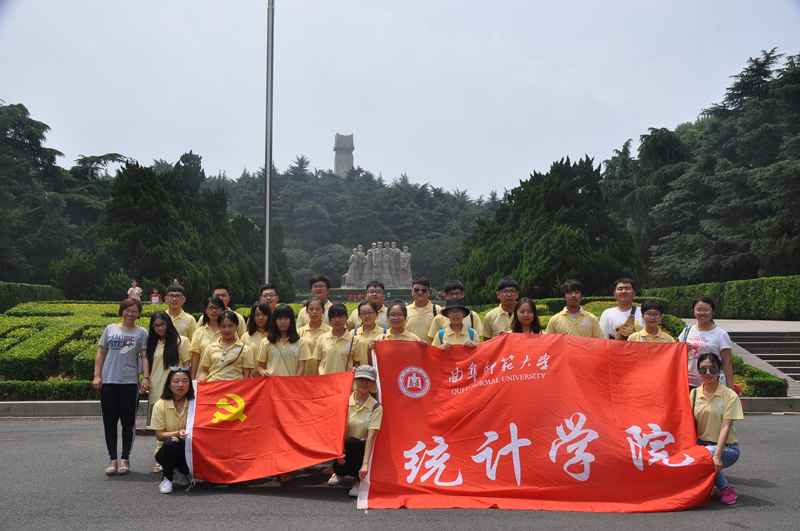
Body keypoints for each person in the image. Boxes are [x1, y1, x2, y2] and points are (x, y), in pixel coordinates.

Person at [93, 298, 150, 476]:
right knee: (109, 422)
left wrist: (146, 377)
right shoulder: (110, 329)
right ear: (121, 311)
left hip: (129, 382)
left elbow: (144, 356)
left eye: (134, 311)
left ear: (139, 313)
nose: (130, 314)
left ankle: (125, 458)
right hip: (108, 381)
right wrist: (97, 375)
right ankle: (112, 459)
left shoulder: (142, 333)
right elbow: (101, 352)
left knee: (128, 422)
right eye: (127, 310)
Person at [690, 353, 743, 505]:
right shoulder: (694, 394)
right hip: (701, 445)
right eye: (703, 369)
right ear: (698, 371)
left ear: (719, 370)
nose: (708, 373)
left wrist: (717, 456)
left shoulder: (729, 395)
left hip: (727, 448)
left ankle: (726, 488)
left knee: (705, 456)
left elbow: (725, 427)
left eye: (713, 369)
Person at [328, 365, 383, 498]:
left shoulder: (376, 407)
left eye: (368, 380)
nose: (364, 383)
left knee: (351, 441)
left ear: (373, 383)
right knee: (339, 467)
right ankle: (340, 472)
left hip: (363, 450)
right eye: (361, 379)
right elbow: (333, 430)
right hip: (345, 450)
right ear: (355, 380)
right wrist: (337, 453)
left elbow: (371, 438)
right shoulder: (344, 401)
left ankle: (359, 481)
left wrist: (364, 465)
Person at [144, 310, 190, 457]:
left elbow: (187, 366)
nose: (160, 328)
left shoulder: (181, 341)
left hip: (178, 388)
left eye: (163, 324)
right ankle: (161, 458)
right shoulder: (151, 343)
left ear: (168, 323)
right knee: (160, 427)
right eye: (156, 325)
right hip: (156, 387)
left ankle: (182, 459)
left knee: (180, 425)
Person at [152, 367, 194, 494]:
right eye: (176, 381)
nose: (181, 385)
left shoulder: (196, 402)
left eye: (185, 381)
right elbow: (160, 435)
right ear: (169, 385)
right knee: (173, 442)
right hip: (166, 450)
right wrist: (177, 433)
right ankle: (167, 478)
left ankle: (182, 471)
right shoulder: (160, 405)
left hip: (191, 448)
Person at [680, 296, 734, 389]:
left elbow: (727, 363)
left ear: (713, 312)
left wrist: (730, 388)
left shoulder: (721, 334)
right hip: (689, 383)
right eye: (698, 309)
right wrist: (683, 349)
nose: (702, 313)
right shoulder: (687, 331)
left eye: (706, 310)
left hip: (713, 384)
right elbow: (678, 357)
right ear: (694, 311)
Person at [197, 310, 255, 382]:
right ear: (218, 327)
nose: (227, 330)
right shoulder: (210, 347)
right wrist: (199, 382)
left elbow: (246, 375)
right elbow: (205, 371)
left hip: (234, 390)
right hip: (213, 387)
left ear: (236, 326)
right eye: (223, 326)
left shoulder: (245, 349)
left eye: (230, 326)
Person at [314, 303, 366, 375]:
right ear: (329, 319)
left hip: (344, 382)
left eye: (340, 316)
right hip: (325, 382)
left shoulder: (355, 340)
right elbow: (319, 365)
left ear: (346, 318)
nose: (337, 320)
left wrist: (355, 368)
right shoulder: (321, 338)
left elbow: (357, 363)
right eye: (334, 317)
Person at [189, 296, 224, 379]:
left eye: (217, 308)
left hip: (222, 377)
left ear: (222, 310)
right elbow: (195, 357)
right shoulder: (199, 332)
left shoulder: (228, 331)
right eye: (211, 308)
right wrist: (192, 379)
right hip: (202, 378)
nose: (214, 310)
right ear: (206, 310)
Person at [297, 297, 330, 376]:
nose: (314, 312)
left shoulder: (330, 331)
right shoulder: (299, 332)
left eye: (318, 309)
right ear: (307, 311)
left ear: (323, 311)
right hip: (304, 376)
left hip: (323, 376)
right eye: (311, 309)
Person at [405, 277, 439, 345]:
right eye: (416, 290)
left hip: (430, 352)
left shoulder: (437, 310)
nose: (420, 292)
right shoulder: (404, 310)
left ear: (428, 292)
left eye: (424, 290)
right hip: (410, 352)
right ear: (412, 291)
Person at [242, 301, 272, 376]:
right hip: (251, 379)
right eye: (257, 315)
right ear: (253, 316)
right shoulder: (246, 336)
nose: (260, 318)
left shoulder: (274, 336)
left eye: (264, 315)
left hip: (270, 378)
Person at [352, 300, 387, 364]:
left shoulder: (385, 333)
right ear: (359, 316)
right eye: (363, 313)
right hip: (359, 372)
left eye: (370, 312)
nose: (367, 316)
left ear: (376, 314)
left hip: (378, 372)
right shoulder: (353, 334)